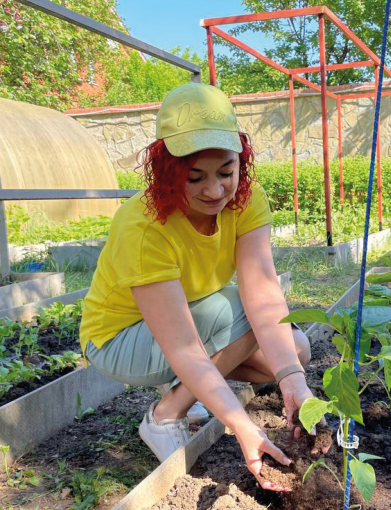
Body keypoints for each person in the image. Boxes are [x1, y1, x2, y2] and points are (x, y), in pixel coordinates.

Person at [78, 82, 324, 491]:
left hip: (184, 320)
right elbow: (185, 349)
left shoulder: (246, 201)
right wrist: (241, 424)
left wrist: (292, 381)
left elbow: (262, 288)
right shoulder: (142, 226)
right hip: (119, 340)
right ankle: (166, 415)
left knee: (295, 351)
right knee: (246, 314)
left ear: (240, 161)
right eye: (195, 178)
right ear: (167, 171)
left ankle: (194, 394)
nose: (214, 191)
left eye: (227, 172)